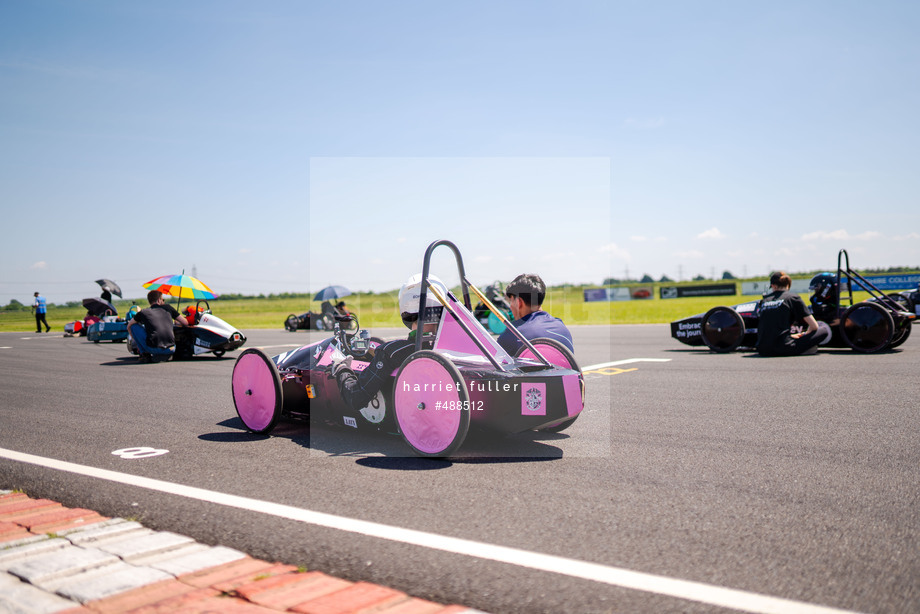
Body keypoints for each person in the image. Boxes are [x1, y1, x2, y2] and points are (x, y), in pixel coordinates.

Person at [331, 274, 446, 411]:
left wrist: (342, 368)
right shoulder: (455, 346)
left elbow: (356, 398)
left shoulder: (391, 352)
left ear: (405, 309)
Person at [756, 271, 831, 356]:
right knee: (823, 330)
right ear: (788, 284)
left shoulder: (764, 300)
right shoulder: (793, 298)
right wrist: (804, 334)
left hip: (762, 349)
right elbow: (814, 326)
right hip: (784, 347)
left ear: (773, 286)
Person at [496, 274, 573, 356]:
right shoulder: (560, 326)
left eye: (511, 301)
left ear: (519, 302)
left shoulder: (513, 334)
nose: (510, 307)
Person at [128, 290, 188, 363]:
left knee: (134, 326)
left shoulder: (144, 312)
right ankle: (165, 353)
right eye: (163, 300)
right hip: (171, 348)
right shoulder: (168, 308)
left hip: (153, 348)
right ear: (159, 300)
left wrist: (137, 341)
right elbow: (185, 322)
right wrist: (177, 322)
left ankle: (144, 355)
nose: (163, 302)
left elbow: (129, 325)